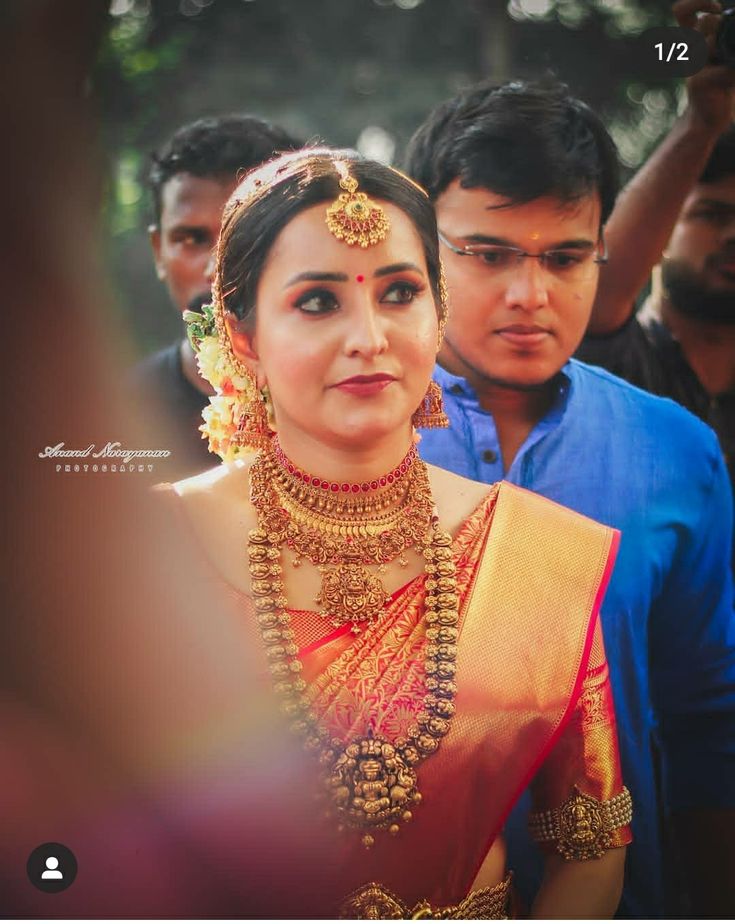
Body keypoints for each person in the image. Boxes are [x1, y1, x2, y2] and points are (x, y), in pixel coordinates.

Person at [159, 149, 632, 918]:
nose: (370, 337)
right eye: (317, 302)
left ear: (436, 315)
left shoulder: (537, 554)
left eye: (401, 293)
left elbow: (587, 847)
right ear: (242, 336)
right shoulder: (151, 549)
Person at [404, 75, 735, 917]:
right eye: (486, 254)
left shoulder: (675, 452)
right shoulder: (337, 434)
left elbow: (706, 725)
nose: (530, 295)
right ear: (418, 244)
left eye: (563, 257)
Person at [129, 114, 301, 480]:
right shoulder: (106, 418)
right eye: (192, 239)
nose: (215, 269)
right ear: (159, 251)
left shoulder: (361, 401)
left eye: (241, 237)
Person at [578, 126, 735, 493]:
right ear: (660, 233)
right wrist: (703, 119)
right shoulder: (614, 362)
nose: (733, 235)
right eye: (712, 215)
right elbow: (595, 292)